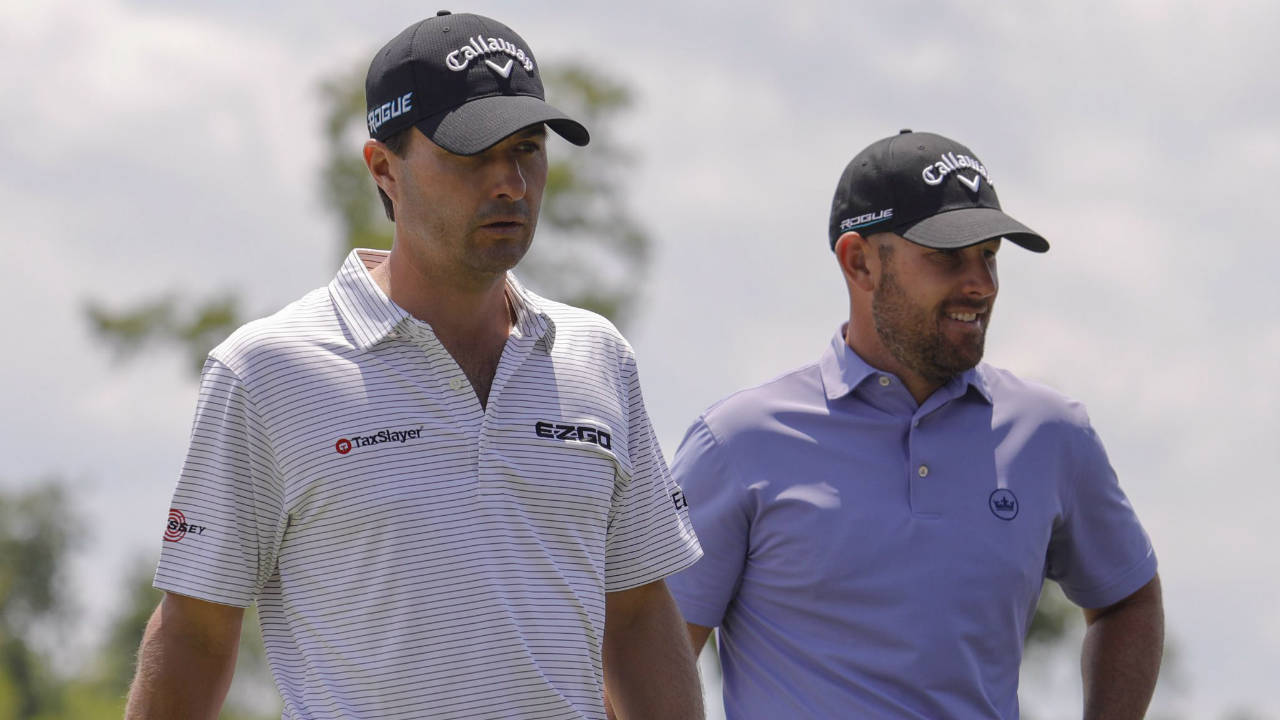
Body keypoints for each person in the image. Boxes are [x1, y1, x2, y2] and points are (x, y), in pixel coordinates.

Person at [125, 12, 703, 720]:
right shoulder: (266, 371)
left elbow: (638, 609)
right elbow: (196, 630)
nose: (511, 183)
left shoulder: (598, 356)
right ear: (383, 169)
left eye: (527, 149)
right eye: (472, 153)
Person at [665, 129, 1163, 719]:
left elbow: (1127, 601)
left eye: (989, 255)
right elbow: (638, 653)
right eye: (948, 257)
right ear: (859, 262)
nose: (981, 284)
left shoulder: (1052, 434)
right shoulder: (737, 443)